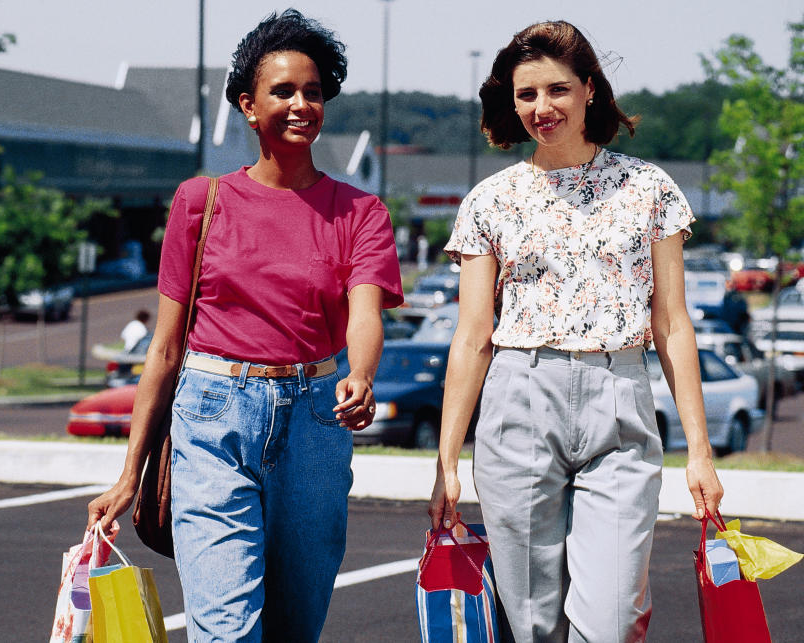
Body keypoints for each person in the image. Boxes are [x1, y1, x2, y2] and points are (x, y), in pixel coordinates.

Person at [87, 9, 403, 642]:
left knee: (295, 626)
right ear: (248, 106)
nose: (301, 104)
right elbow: (166, 347)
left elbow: (365, 314)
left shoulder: (360, 211)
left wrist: (361, 375)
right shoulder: (199, 203)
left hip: (316, 424)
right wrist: (130, 475)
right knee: (227, 630)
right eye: (283, 91)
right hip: (212, 420)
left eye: (313, 92)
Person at [428, 21, 723, 643]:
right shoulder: (490, 200)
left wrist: (699, 451)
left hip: (619, 399)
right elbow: (473, 336)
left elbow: (671, 325)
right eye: (526, 95)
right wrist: (447, 459)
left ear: (589, 89)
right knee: (531, 623)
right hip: (518, 400)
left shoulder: (649, 190)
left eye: (557, 90)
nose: (542, 108)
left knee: (613, 621)